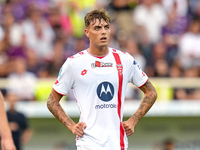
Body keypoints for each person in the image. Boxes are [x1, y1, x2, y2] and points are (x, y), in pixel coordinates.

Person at [47, 9, 157, 150]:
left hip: (117, 144)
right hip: (87, 144)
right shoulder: (74, 64)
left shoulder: (125, 60)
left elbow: (151, 92)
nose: (103, 32)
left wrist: (134, 120)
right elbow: (51, 101)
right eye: (97, 28)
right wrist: (72, 125)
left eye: (106, 27)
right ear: (87, 32)